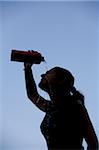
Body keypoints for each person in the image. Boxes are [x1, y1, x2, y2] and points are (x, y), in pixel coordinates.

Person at [24, 51, 98, 150]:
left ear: (59, 82)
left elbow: (93, 144)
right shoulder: (52, 107)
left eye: (47, 73)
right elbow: (32, 95)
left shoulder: (75, 107)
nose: (42, 75)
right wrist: (28, 68)